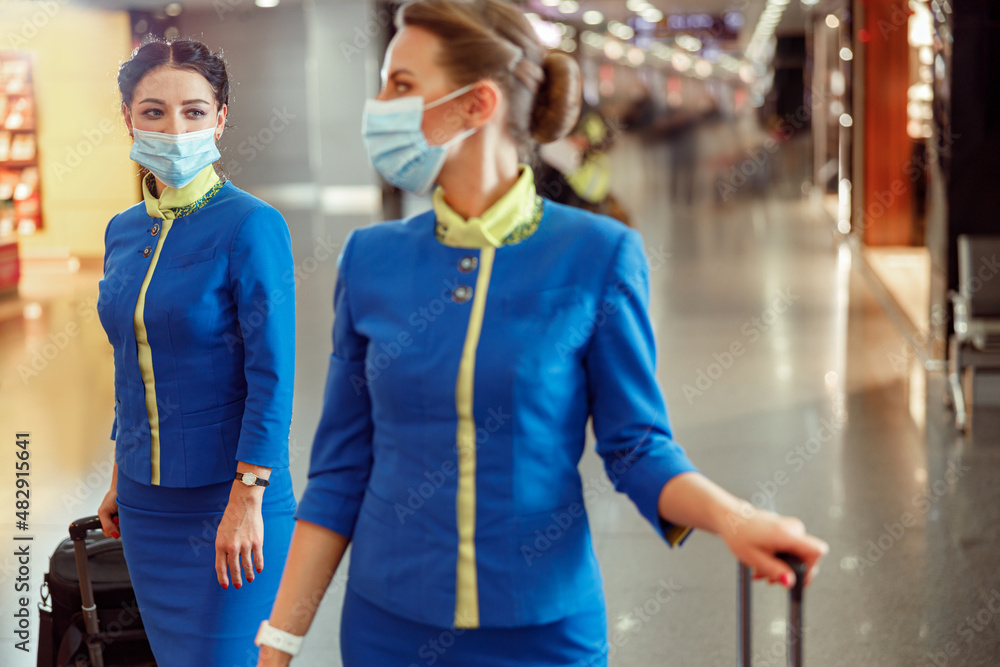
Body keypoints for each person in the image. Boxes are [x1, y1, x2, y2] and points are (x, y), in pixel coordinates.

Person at [257, 1, 827, 665]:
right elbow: (339, 472)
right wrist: (278, 645)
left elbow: (637, 446)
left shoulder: (596, 254)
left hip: (544, 629)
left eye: (402, 84)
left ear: (478, 104)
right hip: (391, 628)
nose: (378, 104)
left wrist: (736, 518)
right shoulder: (371, 260)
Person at [94, 38, 297, 666]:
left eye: (194, 111)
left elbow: (273, 375)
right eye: (153, 112)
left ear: (221, 118)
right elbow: (133, 364)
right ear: (128, 118)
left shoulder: (251, 225)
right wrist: (117, 474)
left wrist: (248, 497)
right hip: (144, 501)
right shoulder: (124, 230)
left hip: (231, 498)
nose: (174, 128)